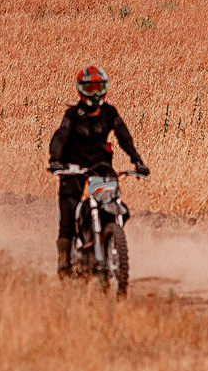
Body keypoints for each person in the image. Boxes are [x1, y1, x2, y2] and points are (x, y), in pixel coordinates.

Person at [47, 64, 147, 276]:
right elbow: (60, 137)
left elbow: (124, 137)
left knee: (116, 206)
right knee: (68, 210)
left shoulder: (110, 113)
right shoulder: (72, 115)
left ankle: (109, 239)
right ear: (80, 90)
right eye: (90, 88)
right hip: (73, 167)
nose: (95, 94)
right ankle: (64, 260)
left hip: (101, 166)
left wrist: (138, 161)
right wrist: (56, 160)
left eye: (99, 88)